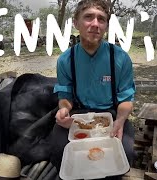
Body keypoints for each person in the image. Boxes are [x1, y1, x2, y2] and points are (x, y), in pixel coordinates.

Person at [50, 0, 136, 177]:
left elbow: (126, 99)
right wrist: (64, 110)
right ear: (76, 23)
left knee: (126, 152)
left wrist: (120, 121)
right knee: (58, 150)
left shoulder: (120, 58)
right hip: (79, 115)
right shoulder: (66, 60)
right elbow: (65, 95)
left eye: (101, 19)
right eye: (88, 17)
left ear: (106, 25)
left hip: (111, 114)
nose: (95, 24)